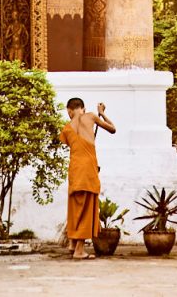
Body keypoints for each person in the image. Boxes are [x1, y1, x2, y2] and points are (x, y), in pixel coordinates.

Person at [59, 98, 115, 259]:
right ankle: (79, 251)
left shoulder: (67, 128)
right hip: (88, 169)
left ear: (70, 110)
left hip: (75, 170)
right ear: (82, 108)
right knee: (86, 207)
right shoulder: (91, 116)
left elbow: (76, 145)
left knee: (75, 206)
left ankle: (72, 244)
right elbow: (113, 129)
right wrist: (102, 113)